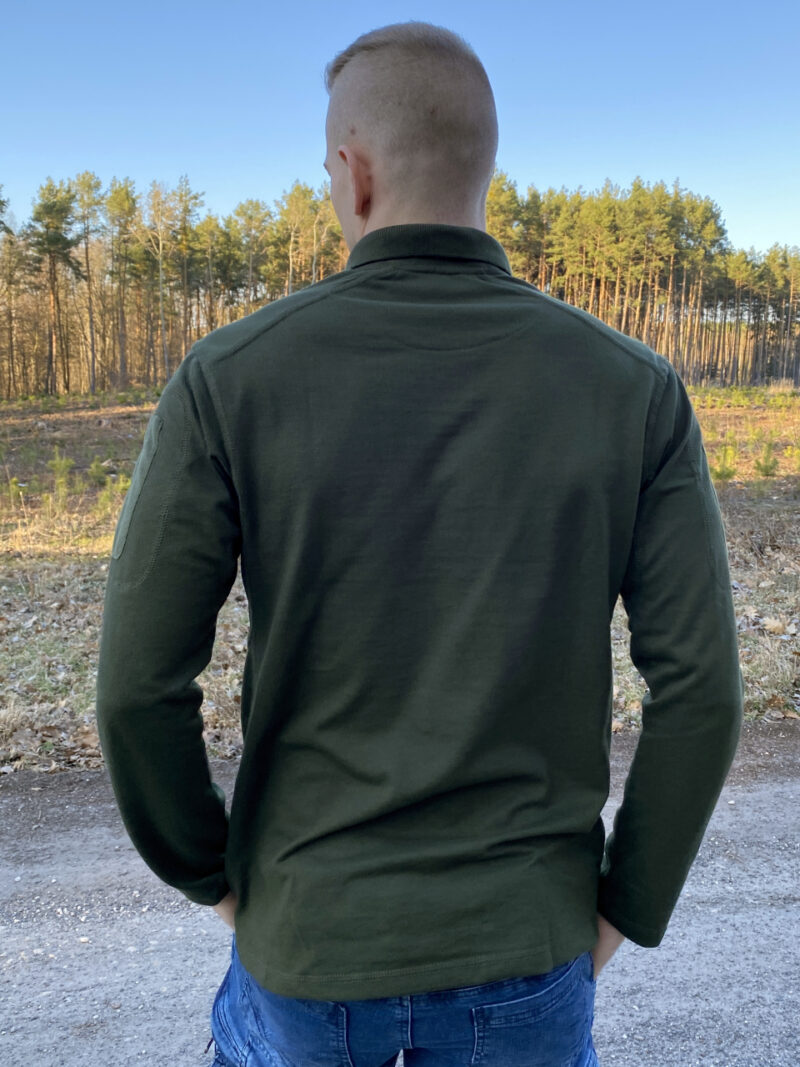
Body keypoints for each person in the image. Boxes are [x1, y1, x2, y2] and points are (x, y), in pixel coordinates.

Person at [95, 21, 744, 1067]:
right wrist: (625, 908)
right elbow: (702, 689)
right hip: (527, 941)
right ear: (483, 166)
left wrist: (212, 877)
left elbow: (136, 687)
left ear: (352, 174)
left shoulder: (229, 377)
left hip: (307, 935)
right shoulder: (633, 389)